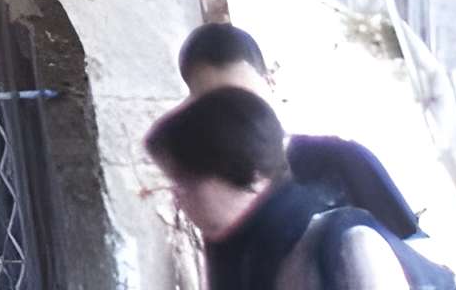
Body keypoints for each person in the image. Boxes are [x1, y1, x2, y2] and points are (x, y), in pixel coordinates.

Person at [148, 88, 418, 290]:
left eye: (187, 183)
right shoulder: (235, 253)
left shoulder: (349, 249)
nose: (179, 200)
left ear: (247, 172)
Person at [183, 22, 426, 239]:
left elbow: (419, 260)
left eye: (245, 97)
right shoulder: (209, 209)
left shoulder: (342, 161)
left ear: (270, 83)